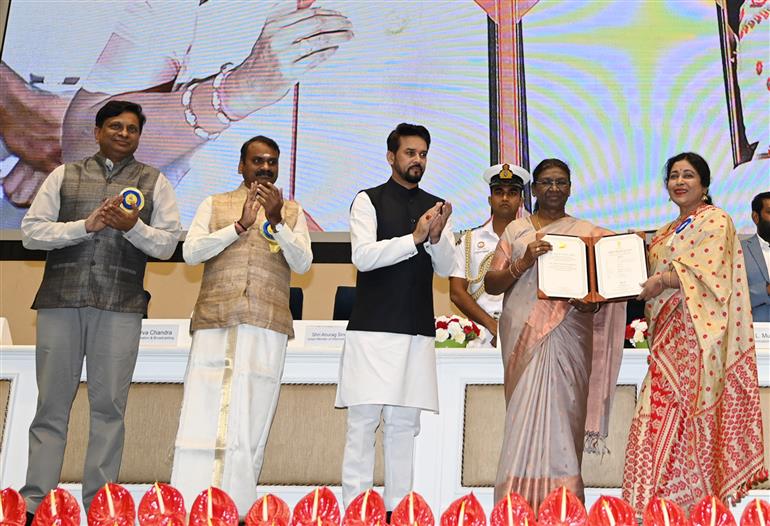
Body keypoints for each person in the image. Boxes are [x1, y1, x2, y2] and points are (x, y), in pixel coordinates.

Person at [19, 100, 181, 516]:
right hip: (61, 301)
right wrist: (84, 227)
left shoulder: (154, 181)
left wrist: (134, 228)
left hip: (120, 306)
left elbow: (166, 245)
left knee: (109, 408)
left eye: (132, 128)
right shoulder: (64, 174)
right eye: (115, 126)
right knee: (51, 406)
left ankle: (102, 505)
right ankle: (36, 502)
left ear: (139, 136)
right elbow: (31, 234)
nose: (124, 134)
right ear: (96, 131)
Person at [170, 136, 312, 513]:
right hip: (216, 319)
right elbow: (191, 253)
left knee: (251, 420)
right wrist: (239, 225)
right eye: (257, 161)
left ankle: (237, 509)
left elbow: (302, 264)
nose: (265, 168)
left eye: (272, 163)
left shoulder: (292, 211)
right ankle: (191, 507)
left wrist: (277, 221)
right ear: (241, 166)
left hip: (266, 323)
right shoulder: (213, 204)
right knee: (201, 416)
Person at [622, 152, 766, 516]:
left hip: (698, 346)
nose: (680, 182)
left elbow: (711, 276)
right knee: (649, 424)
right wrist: (635, 249)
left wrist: (664, 278)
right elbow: (655, 268)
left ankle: (691, 512)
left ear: (704, 185)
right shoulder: (670, 229)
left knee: (687, 429)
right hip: (666, 345)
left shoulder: (716, 220)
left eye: (688, 175)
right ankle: (652, 512)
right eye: (673, 176)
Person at [483, 158, 626, 511]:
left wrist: (589, 304)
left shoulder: (588, 233)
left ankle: (563, 506)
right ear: (534, 189)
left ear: (570, 187)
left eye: (561, 182)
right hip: (523, 335)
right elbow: (491, 282)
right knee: (521, 419)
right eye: (546, 182)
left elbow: (602, 290)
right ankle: (515, 505)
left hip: (571, 334)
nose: (553, 189)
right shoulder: (516, 233)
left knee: (565, 418)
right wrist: (524, 261)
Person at [335, 123, 455, 513]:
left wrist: (435, 237)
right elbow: (363, 257)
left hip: (416, 331)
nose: (417, 160)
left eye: (422, 154)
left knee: (404, 429)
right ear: (391, 157)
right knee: (362, 426)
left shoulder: (437, 206)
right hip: (372, 331)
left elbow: (446, 268)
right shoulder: (367, 200)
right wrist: (414, 238)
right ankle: (357, 512)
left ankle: (398, 512)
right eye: (409, 153)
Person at [449, 163, 529, 347]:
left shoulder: (532, 240)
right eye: (499, 192)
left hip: (524, 333)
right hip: (481, 334)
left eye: (512, 193)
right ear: (489, 199)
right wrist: (492, 326)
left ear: (521, 201)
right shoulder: (469, 240)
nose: (505, 198)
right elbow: (456, 292)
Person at [742, 191, 770, 322]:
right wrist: (765, 290)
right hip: (755, 336)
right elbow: (732, 296)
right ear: (755, 217)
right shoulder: (739, 250)